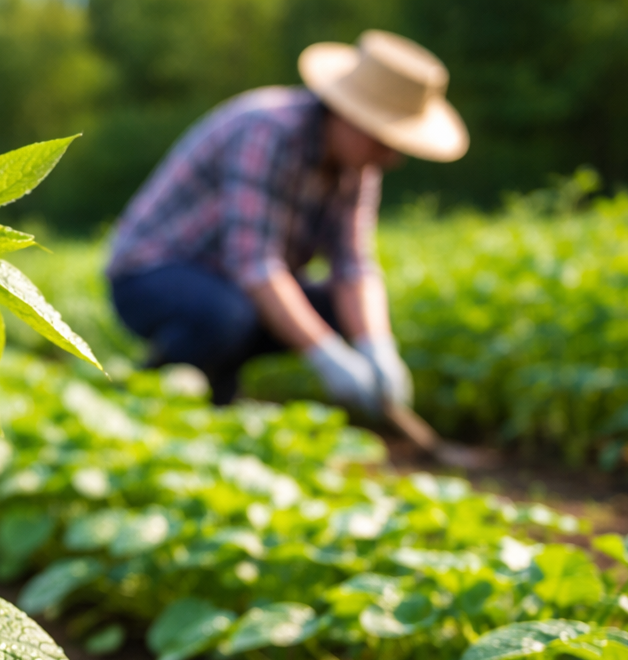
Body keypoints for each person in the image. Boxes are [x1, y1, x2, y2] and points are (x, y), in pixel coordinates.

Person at [106, 30, 468, 412]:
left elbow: (353, 265)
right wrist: (326, 355)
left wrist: (376, 346)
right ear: (348, 113)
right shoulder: (267, 131)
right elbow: (255, 265)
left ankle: (216, 392)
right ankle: (148, 392)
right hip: (151, 273)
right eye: (383, 141)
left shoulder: (357, 166)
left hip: (233, 286)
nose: (391, 157)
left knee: (330, 310)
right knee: (227, 315)